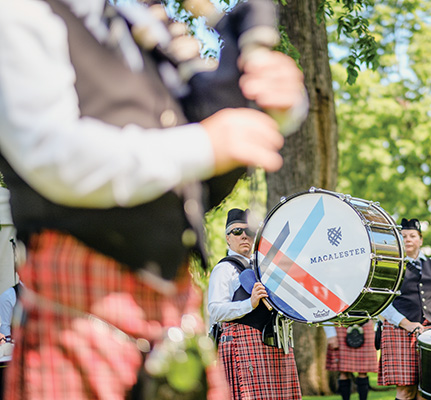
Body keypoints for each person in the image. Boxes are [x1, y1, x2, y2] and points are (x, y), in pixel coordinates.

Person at [0, 0, 307, 398]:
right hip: (79, 310)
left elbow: (200, 153)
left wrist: (271, 102)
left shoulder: (137, 26)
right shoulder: (22, 13)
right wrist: (205, 144)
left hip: (172, 317)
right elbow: (49, 153)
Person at [207, 208, 302, 400]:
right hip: (243, 343)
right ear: (227, 237)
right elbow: (215, 310)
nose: (243, 236)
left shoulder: (264, 268)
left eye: (248, 232)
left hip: (273, 342)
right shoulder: (224, 269)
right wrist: (249, 303)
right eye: (237, 231)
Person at [378, 218, 431, 400]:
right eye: (403, 236)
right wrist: (405, 323)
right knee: (406, 391)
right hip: (400, 330)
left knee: (428, 390)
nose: (407, 239)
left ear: (420, 240)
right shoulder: (389, 265)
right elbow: (381, 303)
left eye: (412, 236)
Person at [324, 321, 377, 400]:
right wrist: (331, 335)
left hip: (364, 325)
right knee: (343, 371)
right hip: (341, 326)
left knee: (363, 370)